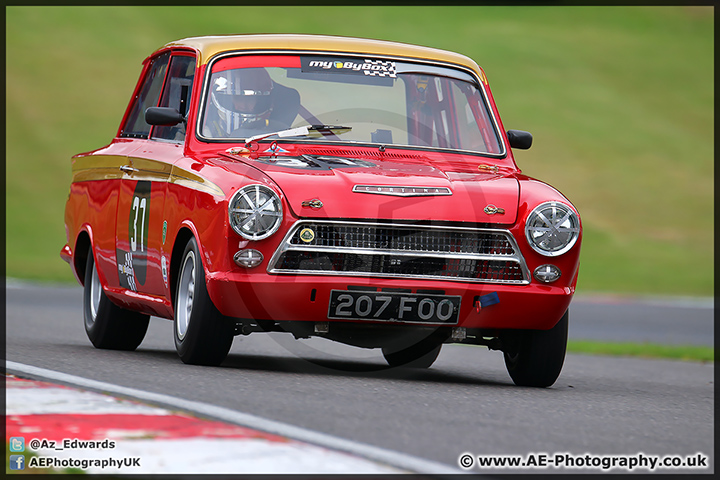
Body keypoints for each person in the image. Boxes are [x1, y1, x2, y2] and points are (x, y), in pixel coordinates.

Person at [207, 67, 290, 137]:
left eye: (250, 98)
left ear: (259, 101)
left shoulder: (277, 135)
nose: (244, 105)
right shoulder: (204, 133)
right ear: (220, 98)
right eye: (238, 98)